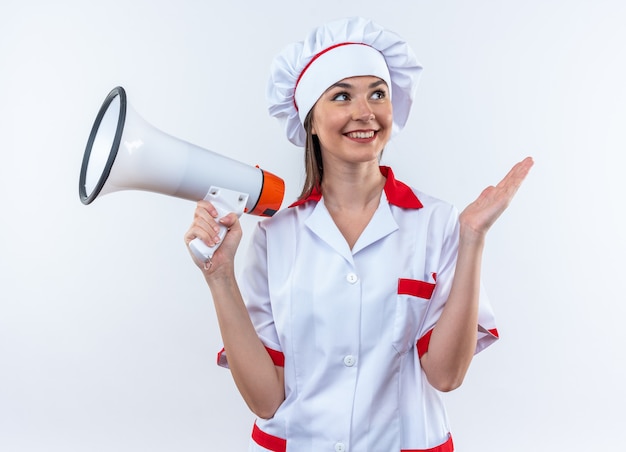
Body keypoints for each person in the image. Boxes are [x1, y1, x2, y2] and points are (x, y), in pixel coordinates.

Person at [184, 17, 533, 452]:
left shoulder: (439, 223)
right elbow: (266, 400)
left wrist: (472, 238)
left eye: (378, 93)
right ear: (310, 120)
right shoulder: (275, 237)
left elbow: (446, 376)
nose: (365, 112)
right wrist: (219, 277)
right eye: (342, 95)